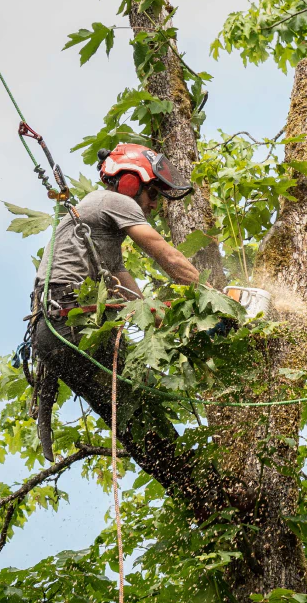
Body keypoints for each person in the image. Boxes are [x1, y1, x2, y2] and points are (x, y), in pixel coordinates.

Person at [31, 143, 211, 504]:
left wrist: (180, 325)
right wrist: (214, 300)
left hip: (54, 332)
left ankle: (196, 495)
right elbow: (166, 256)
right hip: (71, 323)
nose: (155, 204)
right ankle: (203, 491)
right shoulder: (115, 201)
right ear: (131, 182)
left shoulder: (100, 233)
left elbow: (138, 302)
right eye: (153, 193)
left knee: (132, 419)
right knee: (138, 409)